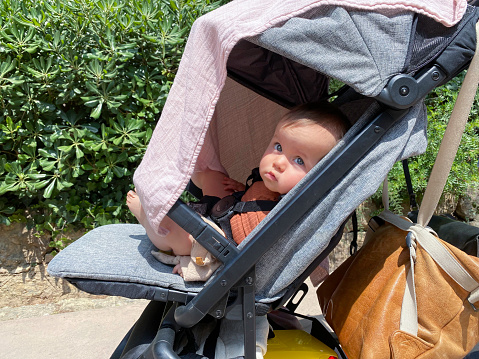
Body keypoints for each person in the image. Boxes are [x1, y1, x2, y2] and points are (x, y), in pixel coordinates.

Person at [127, 101, 350, 281]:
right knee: (213, 175)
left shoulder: (294, 209)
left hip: (219, 248)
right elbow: (257, 205)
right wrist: (243, 191)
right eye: (278, 147)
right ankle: (177, 183)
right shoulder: (273, 185)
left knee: (172, 228)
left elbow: (257, 245)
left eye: (298, 160)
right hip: (228, 213)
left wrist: (204, 267)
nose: (278, 162)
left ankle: (147, 217)